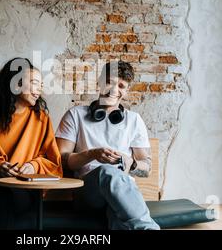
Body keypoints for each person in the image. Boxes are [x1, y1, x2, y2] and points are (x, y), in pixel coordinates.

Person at [0, 57, 62, 229]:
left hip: (19, 190)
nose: (40, 89)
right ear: (15, 84)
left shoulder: (41, 120)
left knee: (1, 192)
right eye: (35, 83)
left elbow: (53, 162)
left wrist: (33, 166)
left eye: (41, 84)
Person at [56, 61, 160, 230]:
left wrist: (131, 163)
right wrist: (92, 154)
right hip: (87, 193)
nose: (114, 90)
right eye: (110, 82)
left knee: (119, 217)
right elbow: (61, 160)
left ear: (126, 91)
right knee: (107, 171)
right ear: (99, 82)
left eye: (121, 86)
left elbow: (146, 167)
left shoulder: (134, 120)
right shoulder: (75, 115)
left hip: (123, 192)